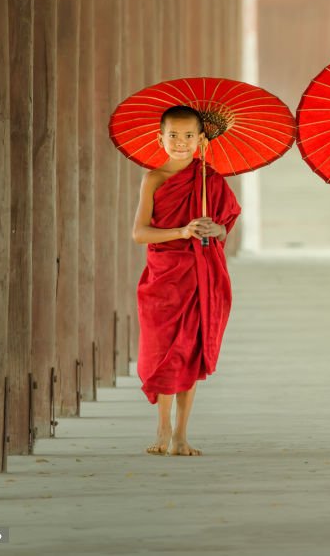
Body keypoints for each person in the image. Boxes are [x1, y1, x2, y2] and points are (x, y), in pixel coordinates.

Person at [131, 105, 241, 456]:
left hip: (200, 277)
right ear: (159, 137)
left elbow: (226, 227)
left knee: (189, 353)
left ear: (202, 140)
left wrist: (215, 228)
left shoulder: (212, 181)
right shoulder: (154, 179)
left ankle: (181, 434)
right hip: (164, 278)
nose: (180, 143)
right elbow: (139, 233)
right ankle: (161, 428)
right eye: (173, 136)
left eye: (189, 136)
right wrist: (181, 230)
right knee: (164, 353)